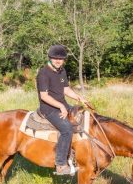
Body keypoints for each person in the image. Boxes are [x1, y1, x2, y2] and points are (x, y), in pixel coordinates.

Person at [36, 45, 91, 175]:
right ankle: (60, 164)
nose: (58, 60)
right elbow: (44, 96)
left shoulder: (62, 71)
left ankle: (77, 153)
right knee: (66, 129)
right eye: (55, 58)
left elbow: (65, 89)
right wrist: (60, 106)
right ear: (50, 58)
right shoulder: (43, 73)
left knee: (83, 117)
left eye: (60, 59)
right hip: (48, 109)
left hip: (63, 105)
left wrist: (79, 98)